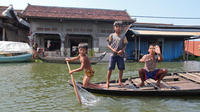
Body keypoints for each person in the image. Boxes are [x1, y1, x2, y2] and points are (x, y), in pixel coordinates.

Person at [105, 21, 128, 88]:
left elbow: (125, 45)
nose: (118, 28)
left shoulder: (123, 36)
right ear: (114, 28)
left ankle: (120, 81)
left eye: (120, 27)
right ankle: (107, 82)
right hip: (113, 54)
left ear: (121, 28)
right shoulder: (111, 35)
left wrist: (122, 50)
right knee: (110, 68)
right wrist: (113, 50)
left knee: (121, 68)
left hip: (120, 55)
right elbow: (108, 45)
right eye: (116, 27)